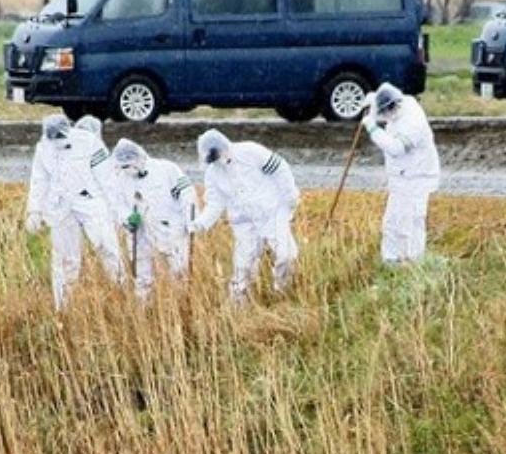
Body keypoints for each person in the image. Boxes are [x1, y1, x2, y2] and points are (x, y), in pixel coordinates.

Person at [25, 113, 125, 308]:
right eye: (53, 139)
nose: (57, 143)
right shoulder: (43, 148)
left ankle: (121, 291)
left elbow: (107, 177)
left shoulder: (88, 142)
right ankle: (62, 305)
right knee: (65, 258)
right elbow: (39, 180)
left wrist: (116, 209)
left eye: (60, 138)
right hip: (61, 205)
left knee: (106, 246)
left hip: (90, 200)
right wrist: (35, 210)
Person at [190, 128, 300, 303]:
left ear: (224, 147)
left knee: (285, 255)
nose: (218, 161)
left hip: (272, 212)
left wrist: (290, 197)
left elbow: (280, 169)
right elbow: (215, 203)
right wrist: (201, 223)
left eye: (218, 155)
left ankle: (282, 293)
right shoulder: (212, 173)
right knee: (243, 265)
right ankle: (238, 305)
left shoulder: (251, 151)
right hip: (243, 221)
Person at [362, 82, 440, 264]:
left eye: (385, 114)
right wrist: (371, 103)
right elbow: (379, 99)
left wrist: (373, 129)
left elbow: (396, 148)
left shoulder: (413, 123)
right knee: (392, 220)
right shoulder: (401, 102)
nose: (386, 118)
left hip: (417, 176)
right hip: (402, 176)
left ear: (393, 108)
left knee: (411, 221)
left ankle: (412, 261)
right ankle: (391, 259)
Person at [109, 138, 196, 297]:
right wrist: (128, 218)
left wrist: (190, 221)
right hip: (140, 232)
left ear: (138, 159)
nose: (125, 169)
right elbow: (117, 205)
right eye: (122, 166)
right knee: (142, 276)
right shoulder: (120, 180)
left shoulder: (166, 169)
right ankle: (143, 310)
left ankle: (181, 305)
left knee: (179, 272)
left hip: (170, 229)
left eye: (128, 165)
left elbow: (187, 194)